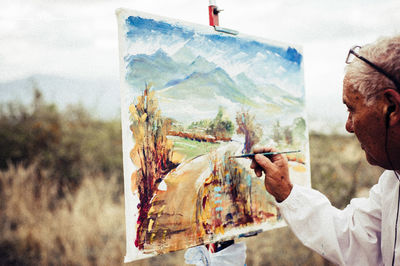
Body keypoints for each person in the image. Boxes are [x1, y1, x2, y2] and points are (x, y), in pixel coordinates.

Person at [250, 35, 400, 265]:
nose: (348, 126)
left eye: (352, 109)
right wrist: (286, 191)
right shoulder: (393, 180)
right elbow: (354, 239)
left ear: (392, 106)